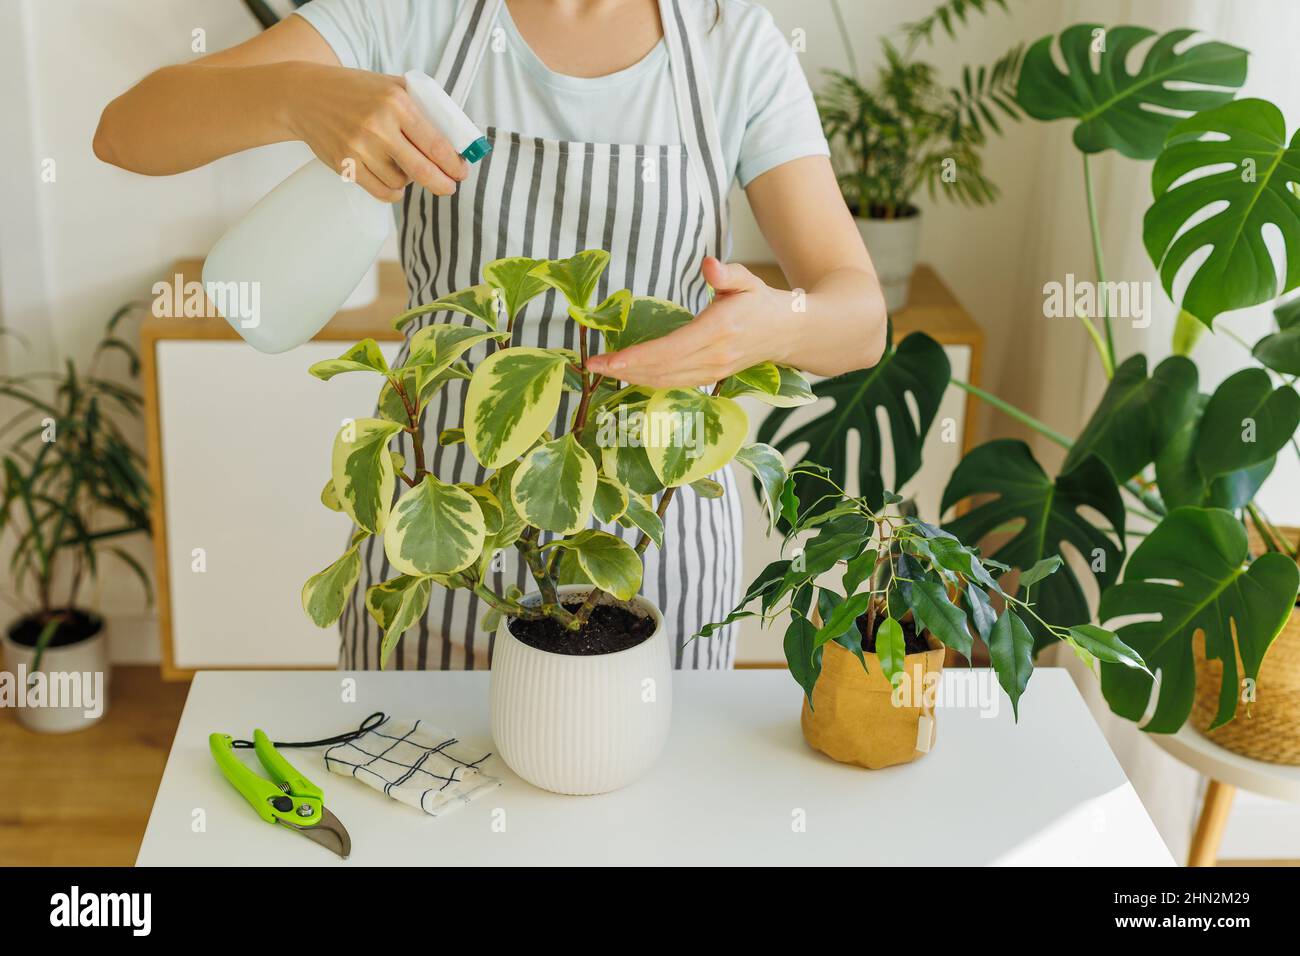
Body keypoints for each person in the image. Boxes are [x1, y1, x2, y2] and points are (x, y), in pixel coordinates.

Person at [94, 0, 887, 670]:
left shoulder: (732, 44)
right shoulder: (410, 15)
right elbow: (127, 131)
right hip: (440, 552)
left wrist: (768, 326)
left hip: (655, 568)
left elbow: (859, 321)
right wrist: (301, 95)